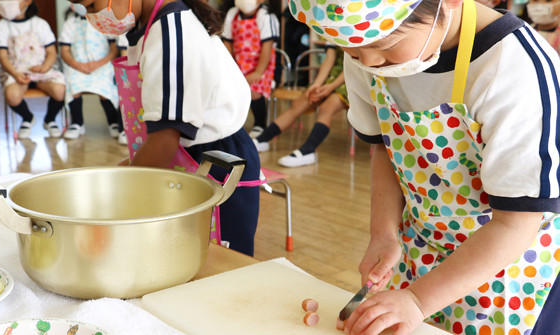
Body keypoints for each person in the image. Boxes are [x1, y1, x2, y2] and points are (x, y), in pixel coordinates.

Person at [290, 0, 560, 333]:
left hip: (506, 265)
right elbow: (385, 149)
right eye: (351, 50)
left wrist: (418, 300)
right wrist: (383, 233)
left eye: (383, 43)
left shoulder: (515, 68)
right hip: (419, 248)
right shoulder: (364, 54)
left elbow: (517, 222)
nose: (368, 62)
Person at [66, 0, 261, 257]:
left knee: (217, 266)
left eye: (91, 5)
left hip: (215, 164)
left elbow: (165, 139)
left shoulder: (173, 31)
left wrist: (116, 198)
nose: (92, 16)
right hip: (182, 157)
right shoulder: (151, 27)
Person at [252, 45, 347, 167]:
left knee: (327, 107)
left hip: (354, 79)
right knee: (299, 103)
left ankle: (309, 151)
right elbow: (329, 58)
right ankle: (262, 139)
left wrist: (331, 87)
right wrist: (317, 85)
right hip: (332, 76)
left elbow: (355, 63)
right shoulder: (333, 29)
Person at [0, 0, 66, 139]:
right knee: (12, 96)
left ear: (27, 2)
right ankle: (28, 118)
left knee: (60, 90)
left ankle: (50, 119)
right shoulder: (1, 26)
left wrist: (44, 67)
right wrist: (15, 74)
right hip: (15, 71)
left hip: (41, 71)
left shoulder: (40, 24)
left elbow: (51, 52)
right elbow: (2, 56)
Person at [59, 4, 124, 141]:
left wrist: (97, 64)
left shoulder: (104, 21)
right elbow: (64, 51)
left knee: (105, 87)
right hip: (77, 66)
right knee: (72, 83)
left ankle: (113, 122)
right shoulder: (71, 23)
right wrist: (77, 65)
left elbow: (113, 50)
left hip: (102, 65)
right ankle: (77, 123)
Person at [221, 0, 279, 138]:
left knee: (253, 89)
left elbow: (268, 46)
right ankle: (232, 124)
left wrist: (258, 71)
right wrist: (231, 67)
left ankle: (260, 124)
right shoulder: (232, 14)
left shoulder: (266, 15)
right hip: (239, 65)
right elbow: (227, 42)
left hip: (264, 66)